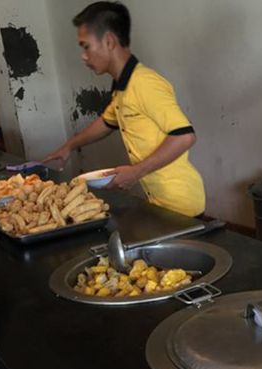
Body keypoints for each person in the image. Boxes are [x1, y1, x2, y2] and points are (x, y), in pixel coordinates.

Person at [44, 1, 205, 218]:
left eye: (86, 46)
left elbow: (185, 136)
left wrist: (136, 172)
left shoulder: (144, 83)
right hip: (158, 201)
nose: (83, 56)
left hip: (181, 204)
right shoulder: (122, 87)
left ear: (109, 41)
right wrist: (69, 146)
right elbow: (105, 123)